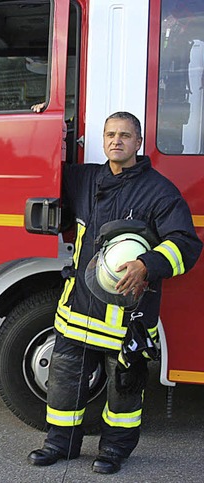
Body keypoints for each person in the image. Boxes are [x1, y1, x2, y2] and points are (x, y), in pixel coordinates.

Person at [27, 111, 202, 474]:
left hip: (127, 317)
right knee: (64, 381)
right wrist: (37, 126)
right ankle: (58, 444)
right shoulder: (85, 179)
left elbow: (186, 244)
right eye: (110, 134)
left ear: (138, 142)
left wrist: (148, 264)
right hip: (77, 309)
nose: (116, 141)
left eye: (124, 135)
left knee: (124, 389)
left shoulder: (159, 191)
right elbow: (42, 167)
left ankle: (114, 451)